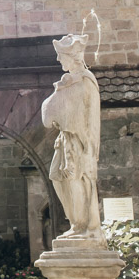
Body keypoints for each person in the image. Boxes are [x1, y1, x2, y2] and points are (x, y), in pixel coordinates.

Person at [41, 33, 103, 240]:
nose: (59, 60)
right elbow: (49, 114)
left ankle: (85, 227)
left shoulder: (85, 82)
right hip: (67, 140)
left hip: (80, 143)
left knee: (77, 180)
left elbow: (91, 119)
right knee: (60, 178)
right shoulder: (69, 82)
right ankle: (78, 224)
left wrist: (90, 148)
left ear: (73, 56)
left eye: (61, 56)